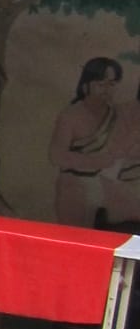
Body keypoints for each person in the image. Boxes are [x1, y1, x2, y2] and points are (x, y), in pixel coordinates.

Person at [48, 57, 122, 226]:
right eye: (101, 84)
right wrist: (93, 161)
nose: (106, 90)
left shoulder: (115, 115)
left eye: (111, 84)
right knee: (72, 235)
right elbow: (56, 156)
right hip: (72, 185)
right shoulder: (71, 116)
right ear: (86, 84)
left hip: (101, 186)